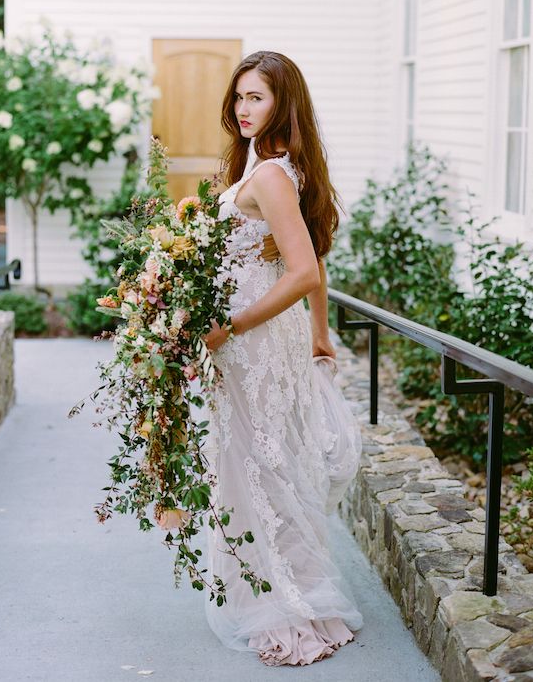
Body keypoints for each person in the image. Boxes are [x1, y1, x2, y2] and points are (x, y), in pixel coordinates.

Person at [202, 51, 364, 666]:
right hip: (268, 338)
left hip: (254, 340)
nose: (244, 109)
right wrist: (320, 334)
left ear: (283, 103)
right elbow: (315, 261)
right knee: (266, 463)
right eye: (239, 97)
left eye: (258, 98)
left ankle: (288, 608)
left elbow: (300, 270)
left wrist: (230, 326)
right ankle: (287, 593)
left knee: (257, 466)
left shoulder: (270, 175)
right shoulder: (280, 168)